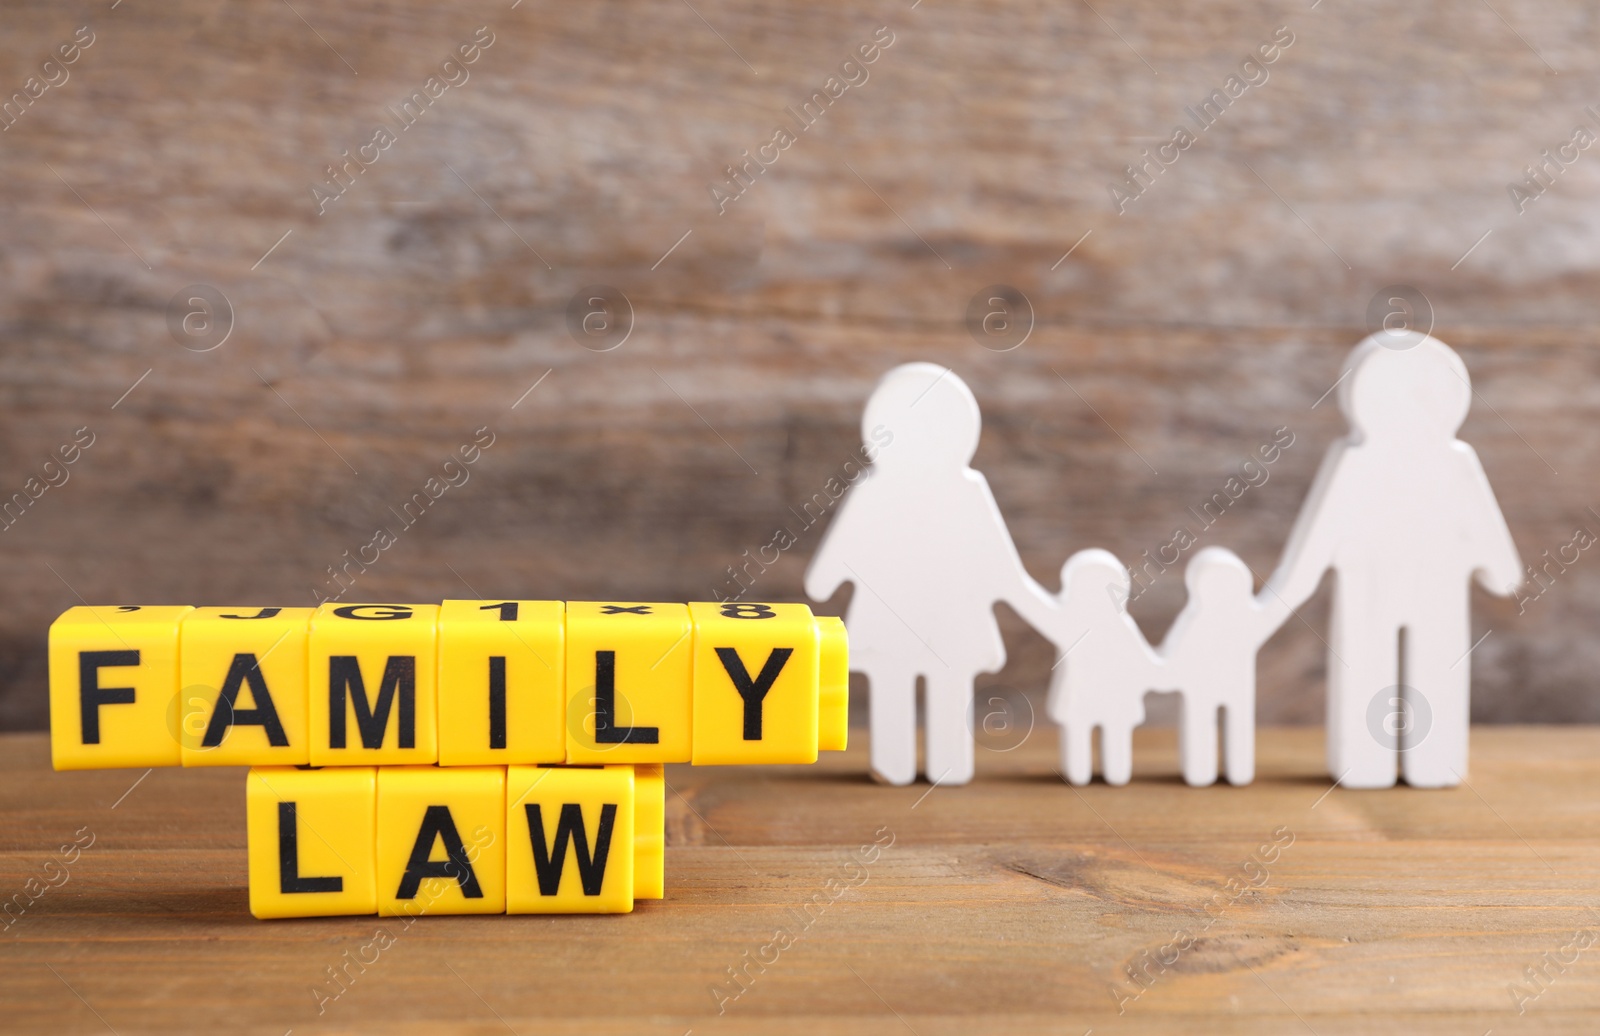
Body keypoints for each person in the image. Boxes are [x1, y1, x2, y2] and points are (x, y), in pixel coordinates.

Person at [1264, 334, 1523, 788]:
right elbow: (1317, 540)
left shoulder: (1453, 462)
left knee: (1422, 669)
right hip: (1380, 594)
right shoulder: (1359, 464)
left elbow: (1489, 538)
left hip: (1424, 595)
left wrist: (1285, 593)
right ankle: (1376, 762)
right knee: (1373, 668)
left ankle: (1422, 761)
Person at [805, 363, 1057, 786]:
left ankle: (921, 763)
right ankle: (924, 764)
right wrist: (1044, 611)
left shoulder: (937, 491)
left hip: (918, 623)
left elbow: (823, 578)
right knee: (917, 681)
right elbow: (1004, 574)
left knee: (930, 681)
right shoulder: (920, 491)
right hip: (933, 624)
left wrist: (829, 580)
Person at [1159, 547, 1288, 786]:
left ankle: (1235, 769)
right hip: (1203, 687)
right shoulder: (1198, 620)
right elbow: (1177, 652)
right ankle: (1202, 769)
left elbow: (1277, 610)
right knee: (1201, 722)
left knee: (1234, 723)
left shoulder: (1243, 618)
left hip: (1233, 686)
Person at [1042, 550, 1163, 786]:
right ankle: (1081, 770)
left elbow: (1142, 662)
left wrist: (1160, 674)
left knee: (1114, 734)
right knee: (1080, 737)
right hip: (1082, 698)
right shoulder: (1071, 624)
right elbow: (1041, 612)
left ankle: (1113, 769)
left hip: (1112, 700)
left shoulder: (1120, 629)